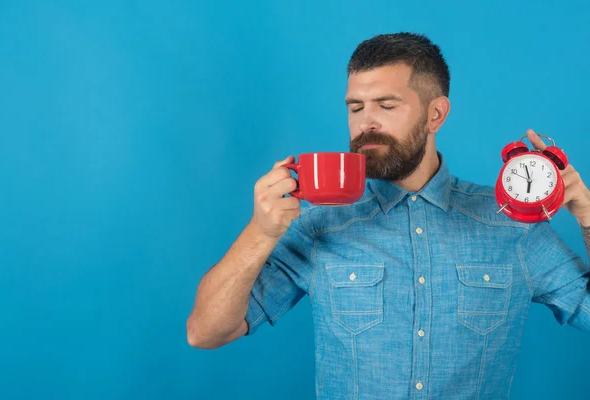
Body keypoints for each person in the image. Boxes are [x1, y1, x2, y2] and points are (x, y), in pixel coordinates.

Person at [186, 32, 590, 399]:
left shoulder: (513, 227)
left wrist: (588, 215)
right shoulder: (318, 226)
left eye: (386, 105)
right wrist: (260, 231)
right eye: (356, 107)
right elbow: (206, 332)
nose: (366, 123)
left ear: (436, 114)